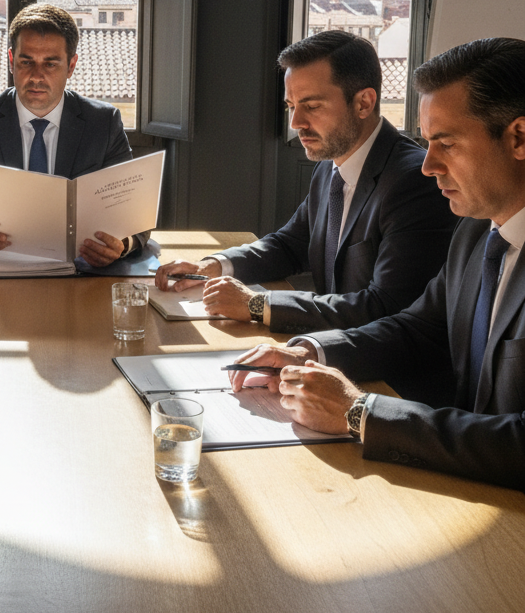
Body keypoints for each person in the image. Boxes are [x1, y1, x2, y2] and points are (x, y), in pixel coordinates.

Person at [228, 37, 525, 490]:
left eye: (445, 143)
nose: (428, 166)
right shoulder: (476, 231)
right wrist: (309, 352)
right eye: (427, 142)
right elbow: (417, 327)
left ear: (519, 137)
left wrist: (359, 411)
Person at [155, 31, 458, 334]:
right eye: (291, 106)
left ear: (364, 103)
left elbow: (385, 306)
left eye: (311, 106)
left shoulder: (414, 181)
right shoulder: (331, 165)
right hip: (331, 346)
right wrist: (214, 265)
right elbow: (290, 245)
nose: (295, 123)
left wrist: (258, 305)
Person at [0, 2, 148, 267]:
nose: (36, 76)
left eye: (51, 64)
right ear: (11, 61)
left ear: (71, 65)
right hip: (0, 276)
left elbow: (134, 215)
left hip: (81, 274)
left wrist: (122, 246)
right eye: (26, 62)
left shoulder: (103, 122)